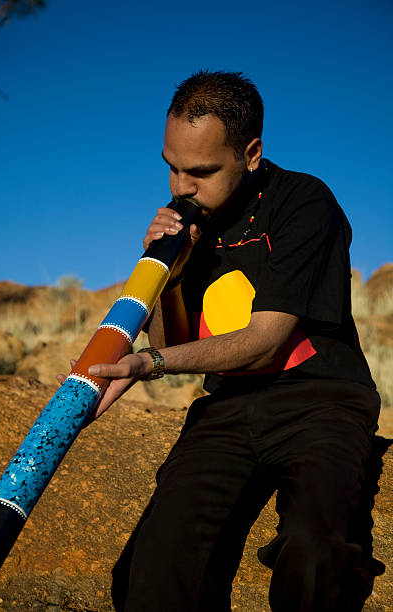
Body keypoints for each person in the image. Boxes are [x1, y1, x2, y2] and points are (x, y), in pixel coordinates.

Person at [61, 70, 382, 611]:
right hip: (226, 410)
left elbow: (265, 340)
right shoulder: (190, 224)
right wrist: (169, 274)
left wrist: (149, 364)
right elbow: (178, 335)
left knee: (314, 557)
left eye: (202, 171)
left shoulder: (304, 201)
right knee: (150, 572)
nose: (181, 187)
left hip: (320, 403)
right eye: (172, 167)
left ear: (251, 153)